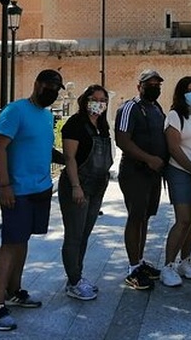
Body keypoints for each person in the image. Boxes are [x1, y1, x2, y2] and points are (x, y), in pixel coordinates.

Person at [0, 70, 62, 331]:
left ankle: (14, 290)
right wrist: (4, 184)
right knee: (10, 243)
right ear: (37, 84)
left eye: (56, 88)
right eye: (49, 85)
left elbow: (42, 147)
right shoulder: (15, 111)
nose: (53, 91)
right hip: (18, 190)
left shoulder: (47, 116)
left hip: (41, 189)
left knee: (23, 241)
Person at [115, 69, 168, 290]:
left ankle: (139, 260)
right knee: (135, 217)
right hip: (135, 172)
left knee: (145, 217)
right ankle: (132, 268)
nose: (154, 87)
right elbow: (122, 139)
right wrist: (148, 159)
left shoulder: (156, 108)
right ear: (139, 86)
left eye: (157, 84)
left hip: (153, 174)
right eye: (150, 84)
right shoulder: (130, 107)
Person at [59, 84, 113, 300]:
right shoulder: (75, 124)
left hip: (97, 185)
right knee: (73, 235)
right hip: (79, 185)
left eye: (103, 100)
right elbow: (70, 157)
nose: (99, 103)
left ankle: (77, 275)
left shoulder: (102, 125)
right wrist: (75, 186)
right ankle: (73, 281)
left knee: (84, 235)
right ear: (85, 99)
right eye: (95, 98)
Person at [160, 76, 191, 287]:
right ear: (181, 93)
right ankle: (168, 265)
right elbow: (173, 148)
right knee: (183, 219)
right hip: (180, 171)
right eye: (189, 90)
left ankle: (185, 261)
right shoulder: (174, 116)